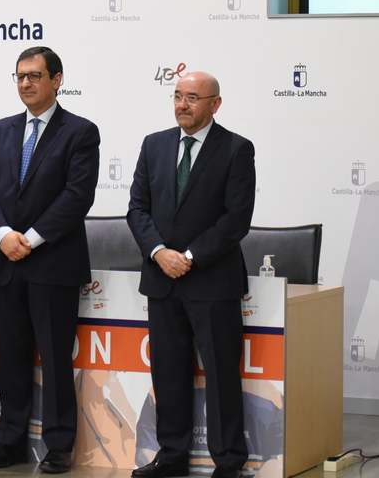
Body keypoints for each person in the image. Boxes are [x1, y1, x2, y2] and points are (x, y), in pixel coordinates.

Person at [0, 46, 100, 474]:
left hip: (53, 264)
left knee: (56, 359)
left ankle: (59, 446)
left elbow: (77, 196)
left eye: (35, 75)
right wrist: (2, 235)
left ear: (57, 80)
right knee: (10, 358)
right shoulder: (0, 130)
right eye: (20, 76)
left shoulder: (80, 132)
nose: (26, 83)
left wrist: (28, 238)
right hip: (6, 261)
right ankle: (9, 442)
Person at [126, 72, 255, 478]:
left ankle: (229, 461)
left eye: (193, 98)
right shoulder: (154, 144)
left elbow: (235, 219)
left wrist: (191, 257)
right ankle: (171, 456)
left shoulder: (236, 149)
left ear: (215, 104)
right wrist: (159, 252)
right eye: (178, 96)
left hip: (212, 281)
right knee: (168, 374)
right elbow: (137, 208)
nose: (182, 105)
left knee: (220, 375)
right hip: (162, 279)